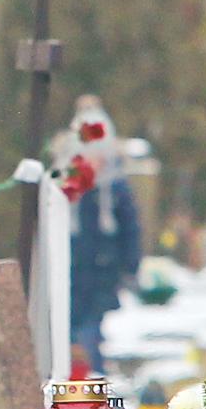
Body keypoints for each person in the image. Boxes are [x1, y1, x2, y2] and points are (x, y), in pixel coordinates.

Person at [55, 95, 142, 375]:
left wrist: (129, 267)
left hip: (102, 274)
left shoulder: (114, 191)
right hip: (71, 273)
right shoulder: (67, 188)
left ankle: (88, 382)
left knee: (90, 333)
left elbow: (130, 230)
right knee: (69, 333)